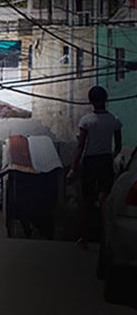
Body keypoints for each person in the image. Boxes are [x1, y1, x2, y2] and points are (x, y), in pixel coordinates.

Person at [67, 86, 122, 250]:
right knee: (105, 200)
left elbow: (80, 146)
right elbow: (118, 146)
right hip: (105, 161)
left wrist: (72, 169)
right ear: (106, 99)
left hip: (90, 163)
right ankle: (106, 238)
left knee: (87, 202)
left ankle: (83, 238)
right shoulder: (114, 120)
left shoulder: (86, 121)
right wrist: (110, 157)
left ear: (90, 101)